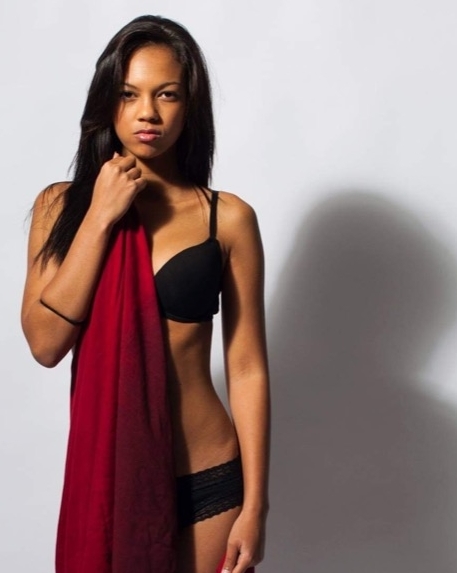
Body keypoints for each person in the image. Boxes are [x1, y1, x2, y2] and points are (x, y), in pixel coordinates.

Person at [21, 15, 270, 573]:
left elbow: (247, 366)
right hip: (112, 477)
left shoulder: (227, 219)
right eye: (129, 94)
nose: (147, 113)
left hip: (209, 478)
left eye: (167, 94)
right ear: (106, 102)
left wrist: (256, 505)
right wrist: (101, 215)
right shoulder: (61, 207)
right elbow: (45, 343)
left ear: (190, 105)